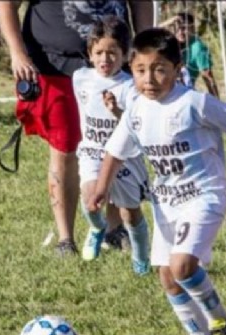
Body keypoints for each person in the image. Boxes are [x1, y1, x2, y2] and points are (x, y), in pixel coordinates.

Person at [88, 28, 226, 334]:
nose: (149, 79)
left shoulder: (193, 102)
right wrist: (101, 187)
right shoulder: (136, 108)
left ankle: (222, 321)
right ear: (131, 69)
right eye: (140, 70)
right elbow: (115, 151)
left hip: (205, 194)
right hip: (166, 202)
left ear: (177, 70)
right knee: (167, 277)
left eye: (160, 70)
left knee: (182, 267)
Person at [0, 1, 154, 255]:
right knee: (64, 149)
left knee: (117, 146)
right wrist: (17, 53)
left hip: (114, 63)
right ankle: (65, 239)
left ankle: (114, 229)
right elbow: (6, 4)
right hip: (55, 67)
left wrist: (145, 49)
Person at [73, 16, 150, 274]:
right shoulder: (80, 78)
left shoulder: (131, 87)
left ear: (126, 54)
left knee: (130, 213)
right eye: (99, 53)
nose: (105, 59)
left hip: (124, 156)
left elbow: (136, 126)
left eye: (112, 53)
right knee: (89, 197)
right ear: (90, 54)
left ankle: (141, 258)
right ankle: (97, 227)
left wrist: (117, 112)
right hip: (93, 151)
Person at [161, 12, 219, 98]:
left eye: (184, 28)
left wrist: (217, 104)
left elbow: (208, 77)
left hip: (183, 94)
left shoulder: (198, 47)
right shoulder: (168, 43)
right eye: (177, 28)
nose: (180, 32)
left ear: (192, 28)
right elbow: (147, 33)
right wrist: (168, 22)